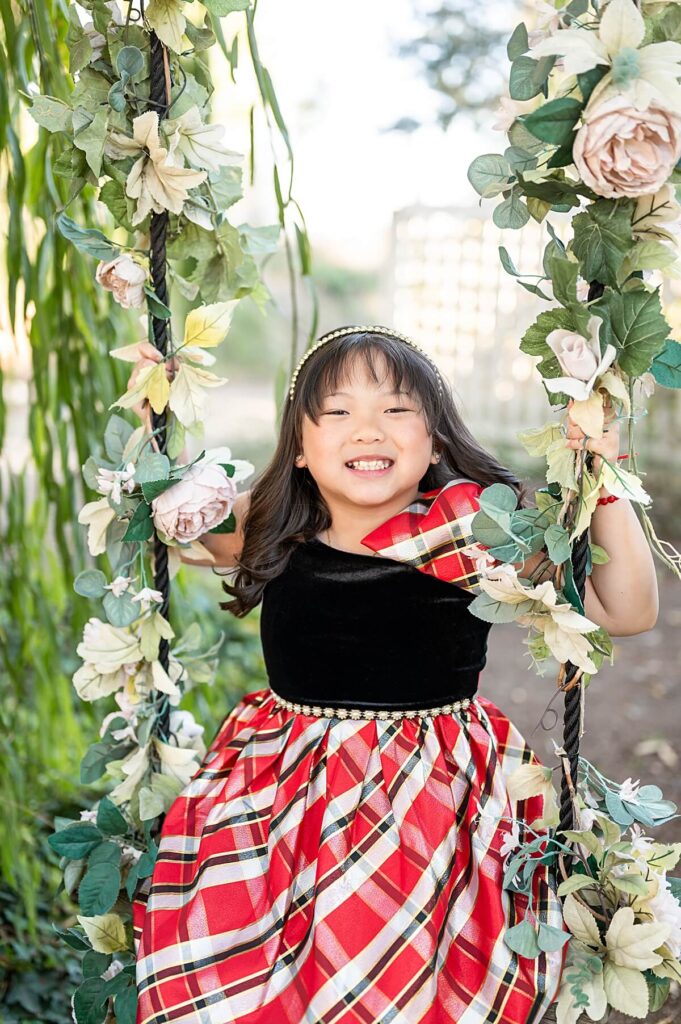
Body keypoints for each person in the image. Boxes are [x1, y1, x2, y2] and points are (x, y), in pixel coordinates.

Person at [128, 325, 658, 1024]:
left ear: (435, 439)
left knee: (412, 978)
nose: (366, 430)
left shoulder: (472, 529)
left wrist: (603, 471)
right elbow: (180, 528)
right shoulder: (274, 525)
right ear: (297, 449)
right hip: (286, 792)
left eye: (396, 410)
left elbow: (626, 610)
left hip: (432, 798)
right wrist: (153, 421)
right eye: (337, 412)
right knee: (270, 971)